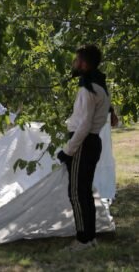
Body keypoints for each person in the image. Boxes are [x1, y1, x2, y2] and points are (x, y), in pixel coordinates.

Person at [56, 45, 111, 252]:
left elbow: (84, 125)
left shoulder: (88, 88)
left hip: (83, 143)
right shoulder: (99, 83)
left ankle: (83, 240)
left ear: (84, 64)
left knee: (77, 193)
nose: (74, 63)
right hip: (90, 143)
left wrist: (68, 151)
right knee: (84, 192)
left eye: (76, 60)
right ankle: (90, 237)